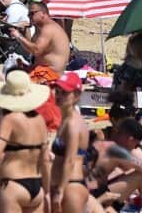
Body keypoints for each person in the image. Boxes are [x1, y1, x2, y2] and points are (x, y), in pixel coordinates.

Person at [0, 71, 50, 213]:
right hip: (37, 188)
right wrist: (49, 191)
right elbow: (45, 160)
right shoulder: (39, 120)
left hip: (14, 185)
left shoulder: (10, 119)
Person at [49, 73, 89, 213]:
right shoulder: (66, 120)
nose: (59, 96)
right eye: (57, 91)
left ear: (77, 95)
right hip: (64, 186)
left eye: (64, 93)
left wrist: (60, 192)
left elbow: (70, 161)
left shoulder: (73, 124)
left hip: (70, 187)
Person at [10, 1, 69, 80]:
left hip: (50, 74)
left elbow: (36, 50)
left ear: (43, 14)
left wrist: (18, 36)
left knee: (16, 81)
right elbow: (31, 48)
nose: (29, 16)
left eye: (32, 13)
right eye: (28, 14)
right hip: (44, 71)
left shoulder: (48, 28)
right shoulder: (42, 28)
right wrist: (25, 31)